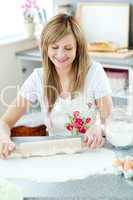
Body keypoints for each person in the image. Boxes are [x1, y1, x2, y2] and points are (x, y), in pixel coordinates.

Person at [0, 14, 112, 159]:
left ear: (78, 48)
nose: (60, 54)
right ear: (45, 47)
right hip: (56, 155)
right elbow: (5, 121)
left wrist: (98, 127)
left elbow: (109, 120)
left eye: (68, 48)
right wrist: (3, 139)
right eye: (54, 47)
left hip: (93, 152)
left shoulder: (94, 72)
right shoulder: (38, 79)